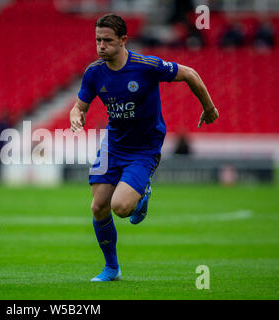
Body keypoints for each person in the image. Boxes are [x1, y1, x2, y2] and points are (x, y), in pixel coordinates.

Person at [69, 14, 218, 282]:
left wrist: (209, 108)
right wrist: (76, 115)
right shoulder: (94, 72)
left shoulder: (146, 66)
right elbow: (79, 106)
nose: (101, 46)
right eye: (98, 40)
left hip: (144, 149)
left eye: (107, 41)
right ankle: (112, 268)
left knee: (121, 208)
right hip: (113, 145)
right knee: (98, 207)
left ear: (124, 40)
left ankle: (143, 190)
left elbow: (190, 74)